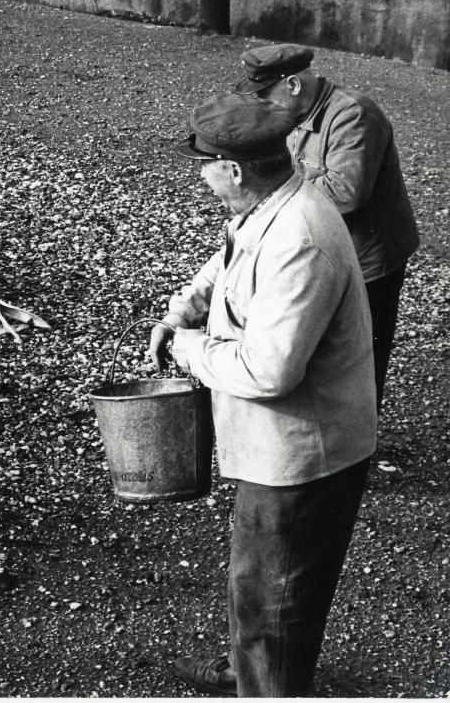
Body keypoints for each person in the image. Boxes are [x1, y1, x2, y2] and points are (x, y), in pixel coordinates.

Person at [148, 92, 376, 697]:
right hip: (278, 449)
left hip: (305, 458)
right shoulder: (265, 207)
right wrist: (180, 314)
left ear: (234, 169)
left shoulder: (300, 238)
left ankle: (265, 685)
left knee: (276, 599)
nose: (201, 175)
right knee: (258, 585)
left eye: (205, 164)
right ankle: (251, 670)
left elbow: (269, 371)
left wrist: (185, 350)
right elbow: (227, 264)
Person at [233, 44, 418, 413]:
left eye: (267, 95)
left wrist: (269, 193)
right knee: (322, 357)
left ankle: (358, 448)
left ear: (293, 86)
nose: (263, 106)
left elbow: (346, 193)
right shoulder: (291, 115)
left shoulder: (354, 115)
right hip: (323, 252)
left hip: (368, 264)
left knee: (362, 365)